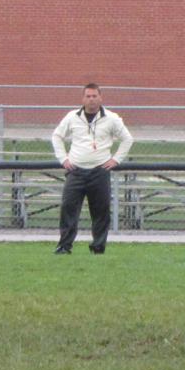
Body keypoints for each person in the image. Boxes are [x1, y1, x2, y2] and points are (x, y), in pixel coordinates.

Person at [50, 83, 133, 255]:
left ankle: (98, 247)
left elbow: (127, 139)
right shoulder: (72, 117)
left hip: (99, 171)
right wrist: (63, 159)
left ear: (100, 98)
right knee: (68, 208)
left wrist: (116, 159)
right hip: (76, 171)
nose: (91, 100)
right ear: (83, 98)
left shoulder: (111, 118)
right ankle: (64, 246)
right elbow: (57, 136)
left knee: (101, 211)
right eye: (88, 96)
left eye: (94, 96)